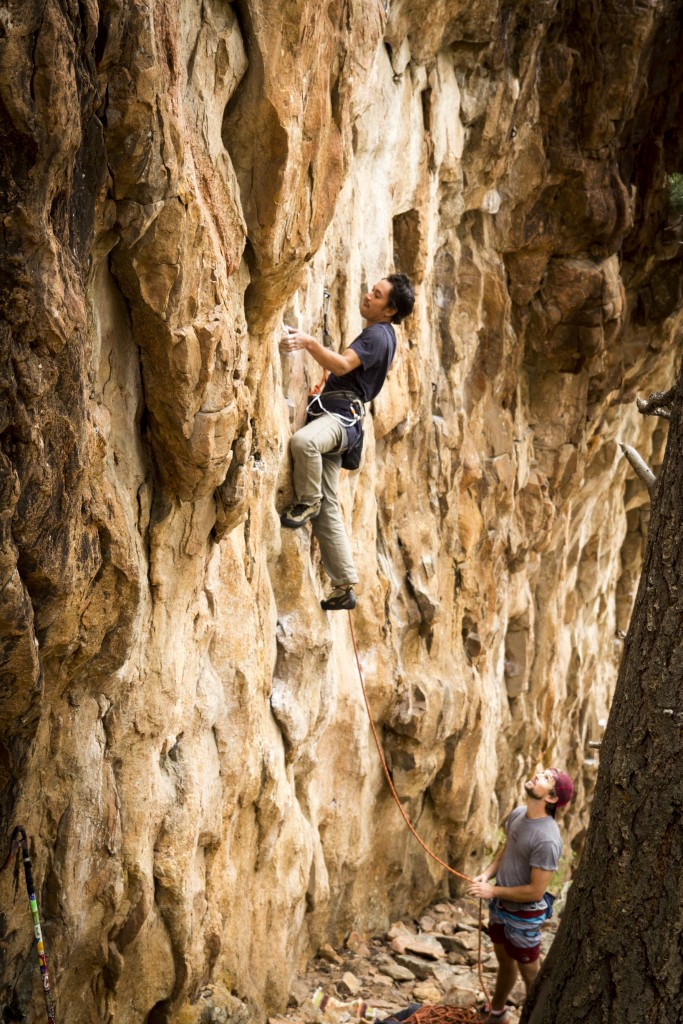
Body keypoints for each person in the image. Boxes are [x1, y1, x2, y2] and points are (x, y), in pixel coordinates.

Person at [279, 273, 415, 611]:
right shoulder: (383, 334)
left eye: (378, 295)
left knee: (304, 443)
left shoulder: (378, 335)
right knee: (330, 507)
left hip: (340, 420)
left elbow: (341, 364)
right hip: (342, 417)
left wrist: (309, 343)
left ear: (389, 310)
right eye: (372, 289)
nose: (369, 295)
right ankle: (343, 585)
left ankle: (306, 501)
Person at [466, 766, 575, 1023]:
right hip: (500, 905)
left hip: (524, 915)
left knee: (530, 974)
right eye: (543, 772)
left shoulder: (547, 840)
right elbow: (508, 847)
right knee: (505, 961)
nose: (538, 773)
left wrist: (491, 890)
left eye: (547, 778)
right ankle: (497, 1012)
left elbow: (535, 891)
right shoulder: (518, 814)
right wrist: (487, 873)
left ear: (551, 798)